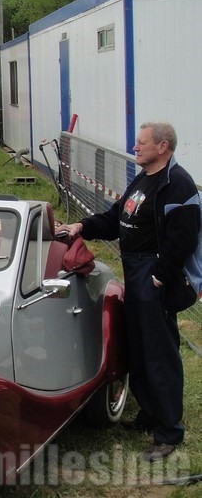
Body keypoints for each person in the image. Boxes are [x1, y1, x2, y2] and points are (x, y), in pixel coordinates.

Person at [56, 122, 198, 463]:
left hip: (154, 277)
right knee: (138, 347)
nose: (135, 147)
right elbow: (114, 219)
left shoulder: (177, 184)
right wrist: (82, 226)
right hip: (135, 273)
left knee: (160, 354)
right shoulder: (142, 180)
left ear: (162, 147)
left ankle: (168, 432)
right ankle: (149, 413)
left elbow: (184, 238)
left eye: (141, 143)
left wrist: (160, 278)